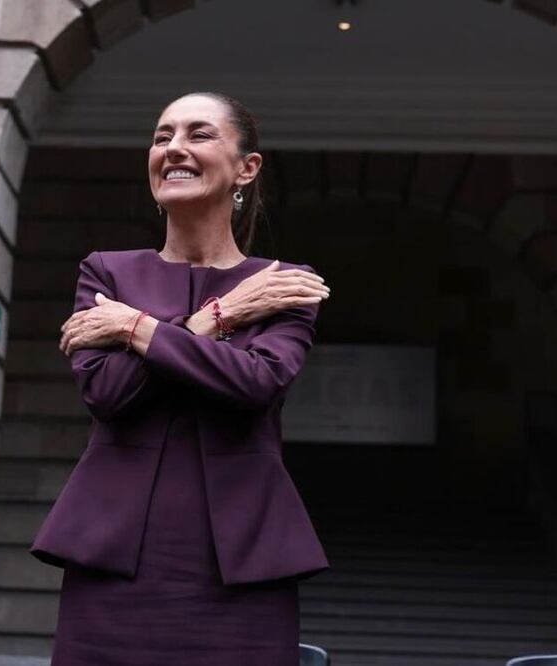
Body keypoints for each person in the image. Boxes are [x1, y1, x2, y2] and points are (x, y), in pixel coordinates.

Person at [30, 92, 332, 665]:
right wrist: (215, 319)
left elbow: (254, 384)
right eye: (162, 135)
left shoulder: (284, 283)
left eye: (198, 134)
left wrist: (136, 330)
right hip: (112, 566)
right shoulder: (107, 271)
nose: (173, 149)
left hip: (242, 570)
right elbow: (109, 394)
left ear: (247, 167)